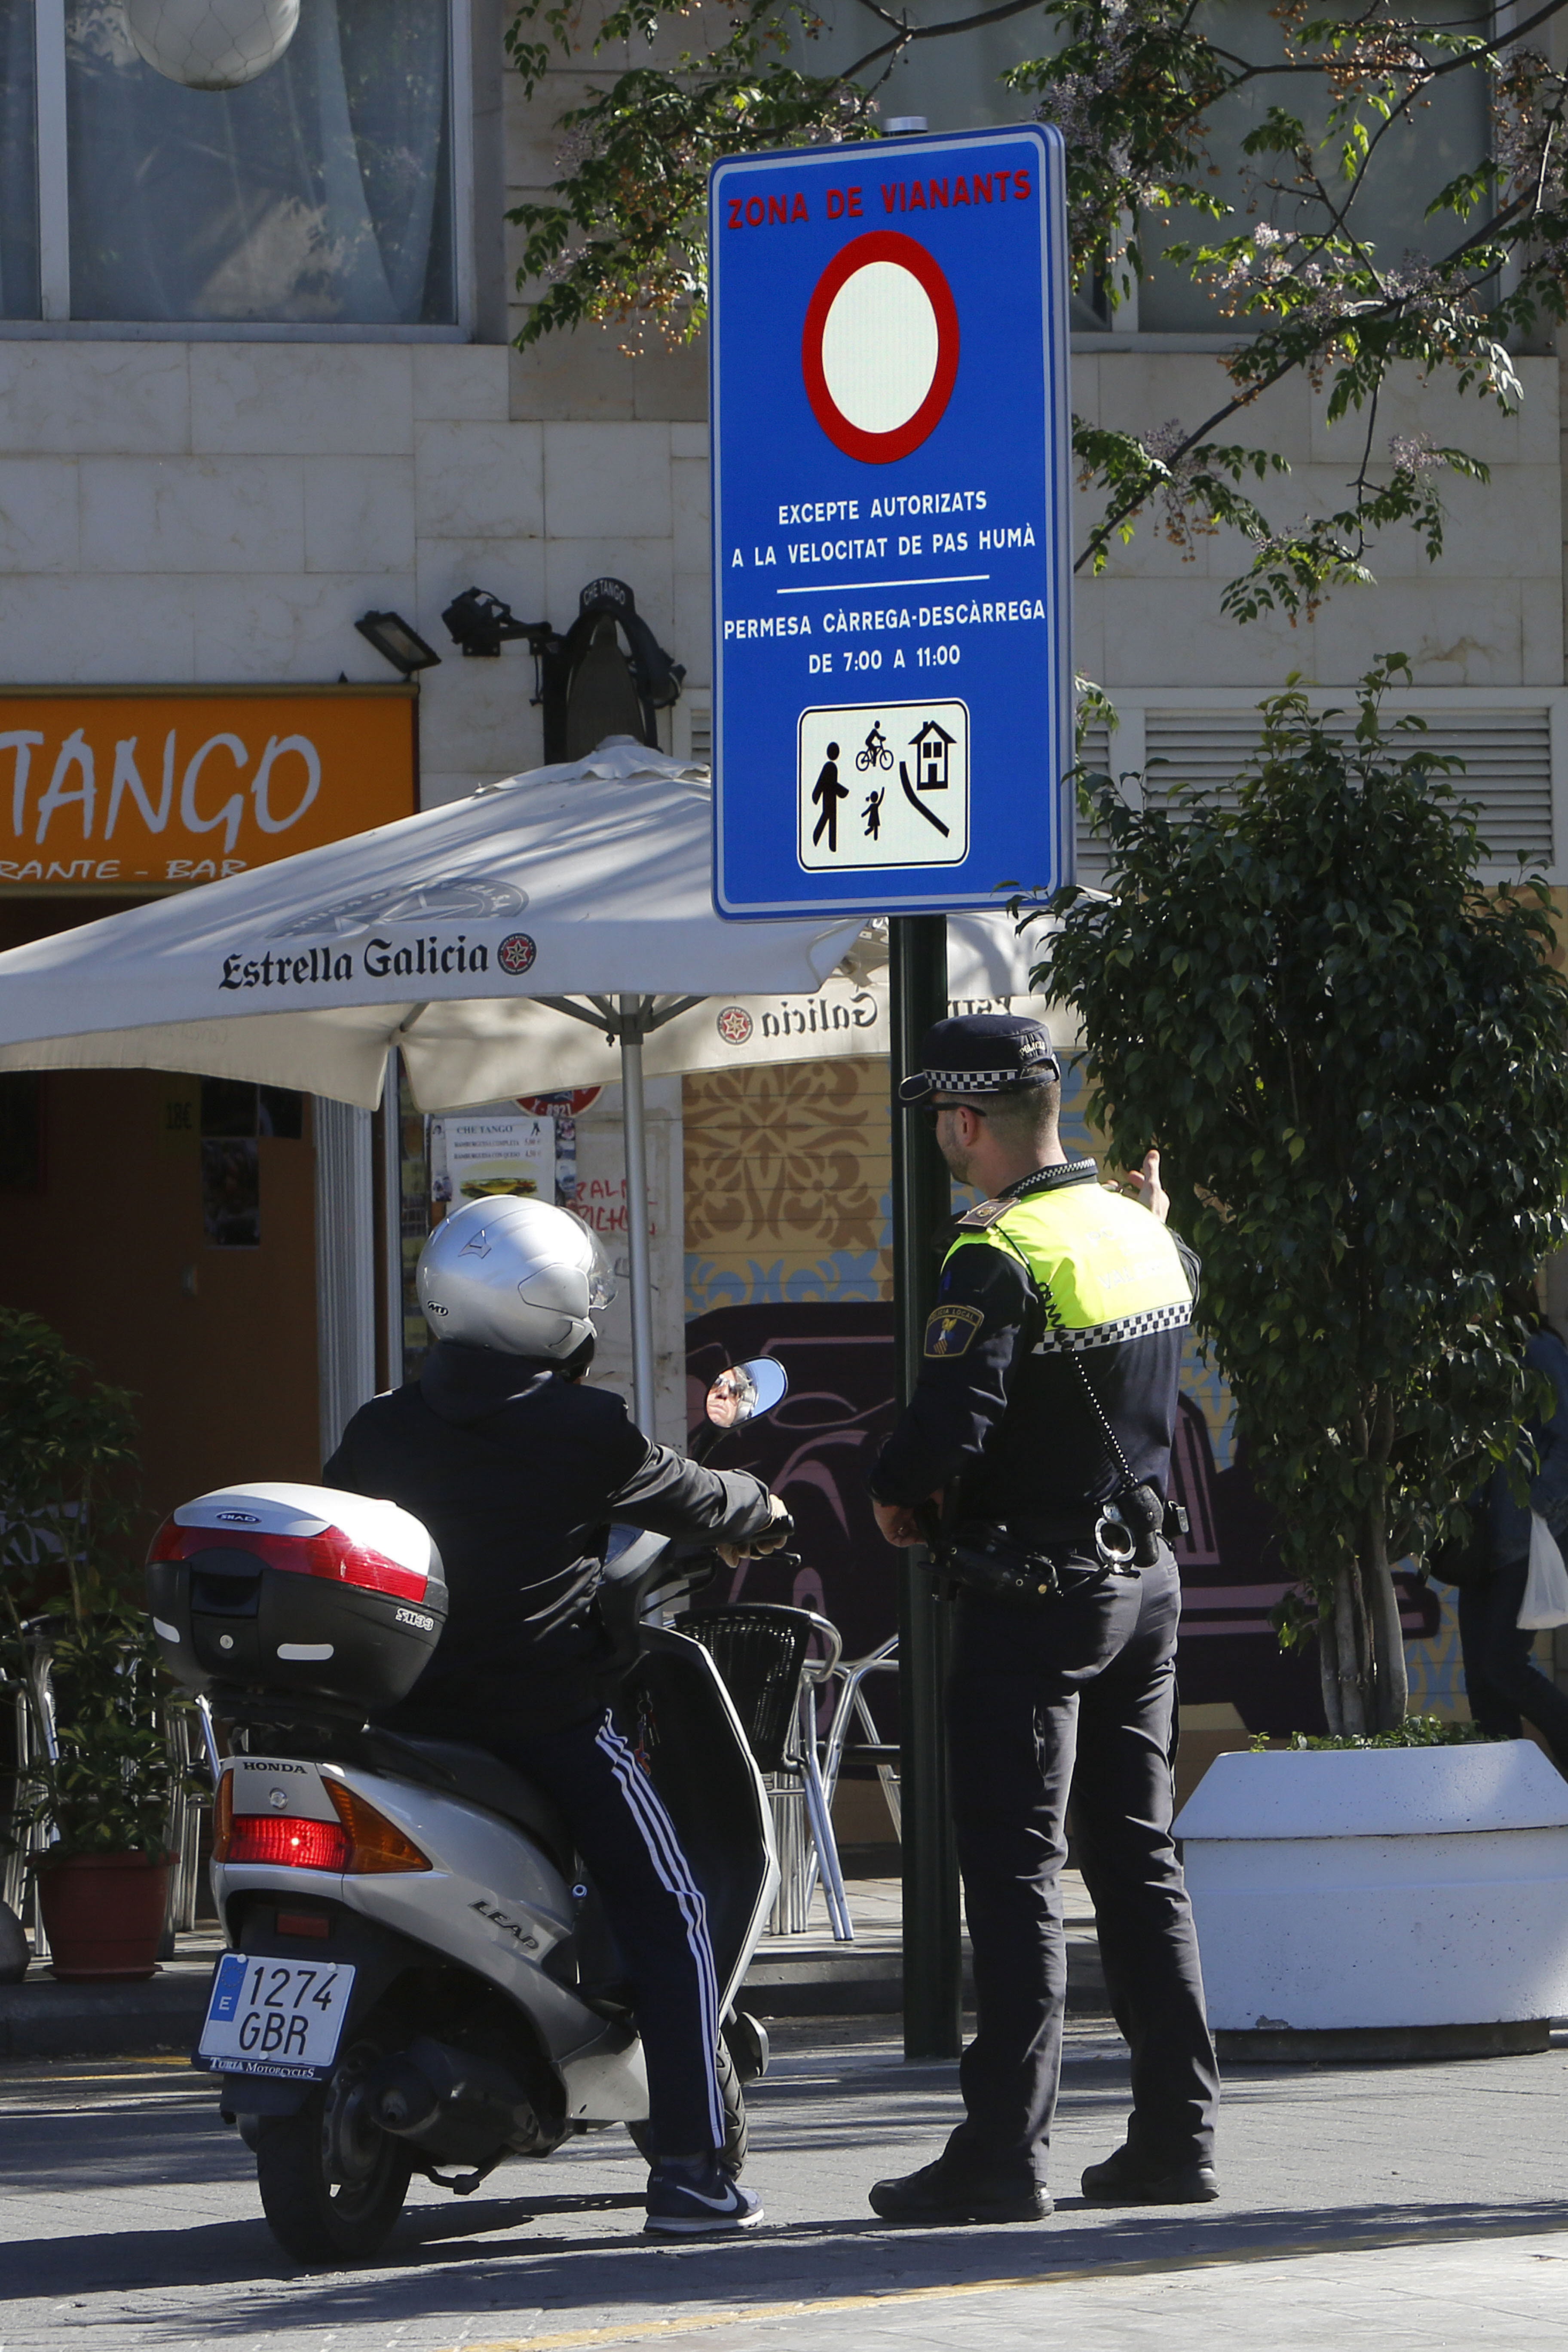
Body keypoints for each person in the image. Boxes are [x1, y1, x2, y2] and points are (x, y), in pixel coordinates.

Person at [325, 1195, 790, 2236]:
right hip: (545, 1720)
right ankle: (690, 2172)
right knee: (672, 1908)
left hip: (399, 1720)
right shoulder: (586, 1428)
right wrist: (763, 1504)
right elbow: (701, 1498)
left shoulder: (380, 1424)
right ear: (559, 1307)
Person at [865, 1013, 1220, 2226]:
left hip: (1035, 1599)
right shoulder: (1137, 1232)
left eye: (943, 1128)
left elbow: (948, 1428)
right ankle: (1178, 2141)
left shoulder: (997, 1252)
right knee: (1138, 1864)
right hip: (1146, 1588)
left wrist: (898, 1495)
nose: (944, 1149)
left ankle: (1001, 2158)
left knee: (1015, 1875)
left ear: (969, 1123)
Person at [1453, 1302, 1568, 1773]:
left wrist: (1538, 1503)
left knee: (1503, 1664)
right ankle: (1507, 1802)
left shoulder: (1537, 1349)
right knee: (1483, 1680)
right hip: (1478, 1543)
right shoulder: (1469, 1355)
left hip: (1526, 1539)